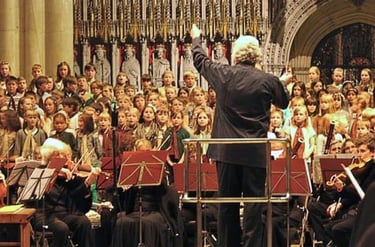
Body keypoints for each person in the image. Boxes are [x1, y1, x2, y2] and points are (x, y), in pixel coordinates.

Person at [191, 24, 290, 247]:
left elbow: (200, 61)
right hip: (254, 152)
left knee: (227, 204)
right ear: (256, 55)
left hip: (226, 150)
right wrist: (281, 83)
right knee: (254, 205)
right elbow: (283, 102)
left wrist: (197, 39)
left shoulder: (224, 74)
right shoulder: (267, 79)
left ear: (235, 55)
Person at [29, 138, 100, 247]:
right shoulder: (40, 172)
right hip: (44, 216)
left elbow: (82, 206)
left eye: (64, 155)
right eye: (58, 155)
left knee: (83, 222)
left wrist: (87, 184)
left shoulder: (68, 176)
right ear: (49, 156)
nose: (63, 158)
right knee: (61, 228)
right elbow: (30, 198)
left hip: (64, 214)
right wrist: (55, 172)